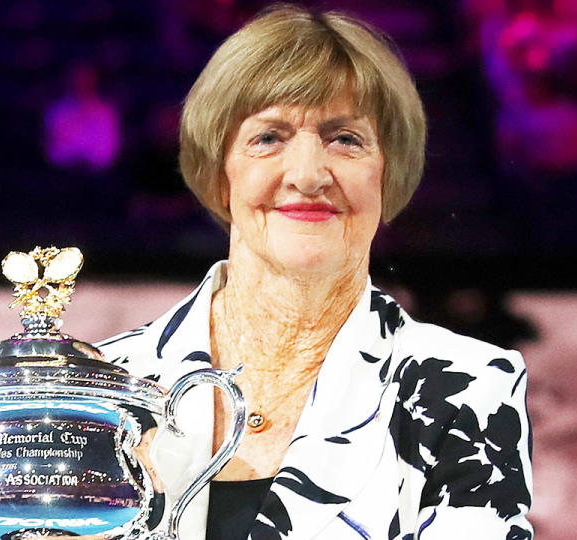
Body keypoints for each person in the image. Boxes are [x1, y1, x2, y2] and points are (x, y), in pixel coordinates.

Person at [96, 5, 533, 539]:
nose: (307, 175)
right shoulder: (105, 386)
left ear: (386, 173)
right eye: (269, 138)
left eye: (345, 139)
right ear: (219, 171)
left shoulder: (465, 389)